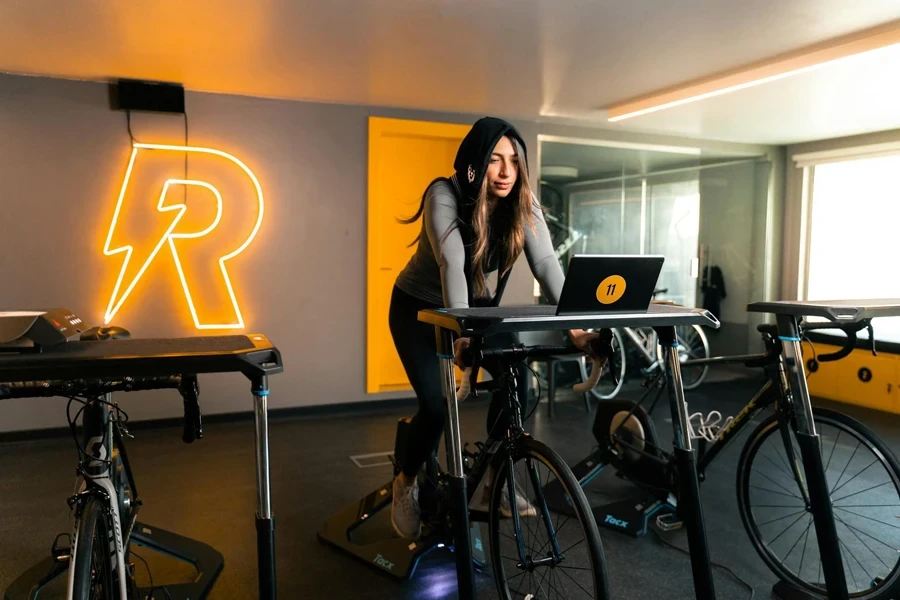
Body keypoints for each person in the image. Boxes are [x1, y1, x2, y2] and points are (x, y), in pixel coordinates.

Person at [389, 117, 598, 539]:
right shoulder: (443, 195)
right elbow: (451, 262)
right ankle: (406, 481)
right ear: (474, 163)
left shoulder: (523, 202)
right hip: (418, 308)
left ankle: (494, 483)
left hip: (477, 307)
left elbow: (545, 264)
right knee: (435, 404)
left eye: (514, 162)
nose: (506, 172)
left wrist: (578, 327)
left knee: (522, 386)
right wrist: (462, 333)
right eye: (495, 160)